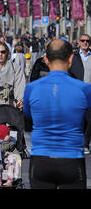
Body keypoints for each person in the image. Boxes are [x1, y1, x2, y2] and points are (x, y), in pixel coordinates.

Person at [24, 39, 91, 189]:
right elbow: (88, 120)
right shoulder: (84, 89)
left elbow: (28, 120)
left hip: (41, 159)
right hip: (72, 158)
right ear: (71, 58)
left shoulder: (31, 88)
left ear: (46, 60)